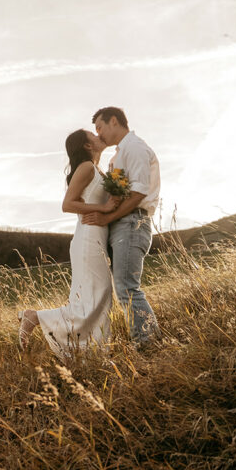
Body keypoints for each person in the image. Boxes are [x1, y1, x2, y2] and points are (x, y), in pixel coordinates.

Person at [19, 129, 118, 356]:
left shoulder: (97, 169)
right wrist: (103, 208)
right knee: (95, 298)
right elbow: (68, 204)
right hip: (88, 239)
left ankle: (92, 352)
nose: (98, 135)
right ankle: (35, 317)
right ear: (86, 145)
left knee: (97, 299)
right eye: (93, 135)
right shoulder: (86, 168)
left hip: (95, 238)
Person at [83, 106, 160, 345]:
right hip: (123, 224)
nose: (98, 134)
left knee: (127, 288)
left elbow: (138, 191)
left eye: (100, 127)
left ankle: (147, 343)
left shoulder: (134, 147)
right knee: (124, 288)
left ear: (114, 121)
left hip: (132, 222)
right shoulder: (118, 154)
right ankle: (149, 338)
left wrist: (106, 218)